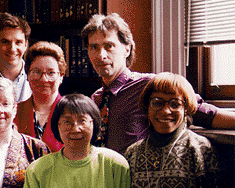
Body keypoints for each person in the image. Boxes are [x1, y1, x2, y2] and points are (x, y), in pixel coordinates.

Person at [81, 13, 235, 154]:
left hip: (141, 177)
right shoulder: (96, 99)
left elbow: (202, 112)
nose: (101, 55)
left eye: (109, 46)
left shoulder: (149, 85)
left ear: (127, 49)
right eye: (94, 47)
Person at [14, 41, 65, 152]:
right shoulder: (13, 113)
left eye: (51, 72)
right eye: (36, 72)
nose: (43, 79)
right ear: (27, 75)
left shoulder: (73, 112)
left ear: (61, 76)